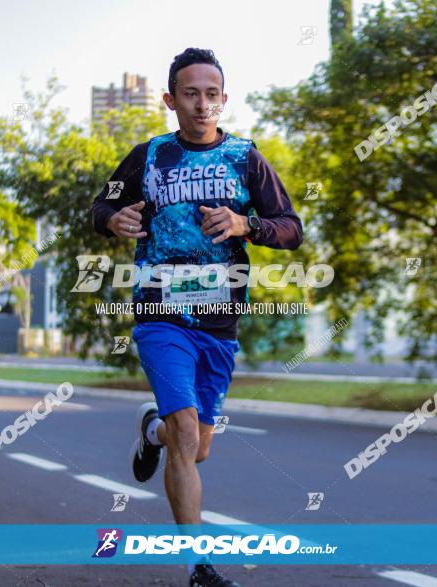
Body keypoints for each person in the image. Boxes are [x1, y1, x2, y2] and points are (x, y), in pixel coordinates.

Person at [90, 48, 303, 587]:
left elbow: (291, 228)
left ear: (224, 100)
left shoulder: (244, 158)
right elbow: (101, 206)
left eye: (212, 94)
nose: (202, 104)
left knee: (196, 445)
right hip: (161, 311)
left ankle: (151, 430)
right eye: (191, 93)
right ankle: (198, 566)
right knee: (187, 433)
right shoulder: (148, 156)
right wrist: (114, 218)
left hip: (218, 320)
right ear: (170, 100)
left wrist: (244, 224)